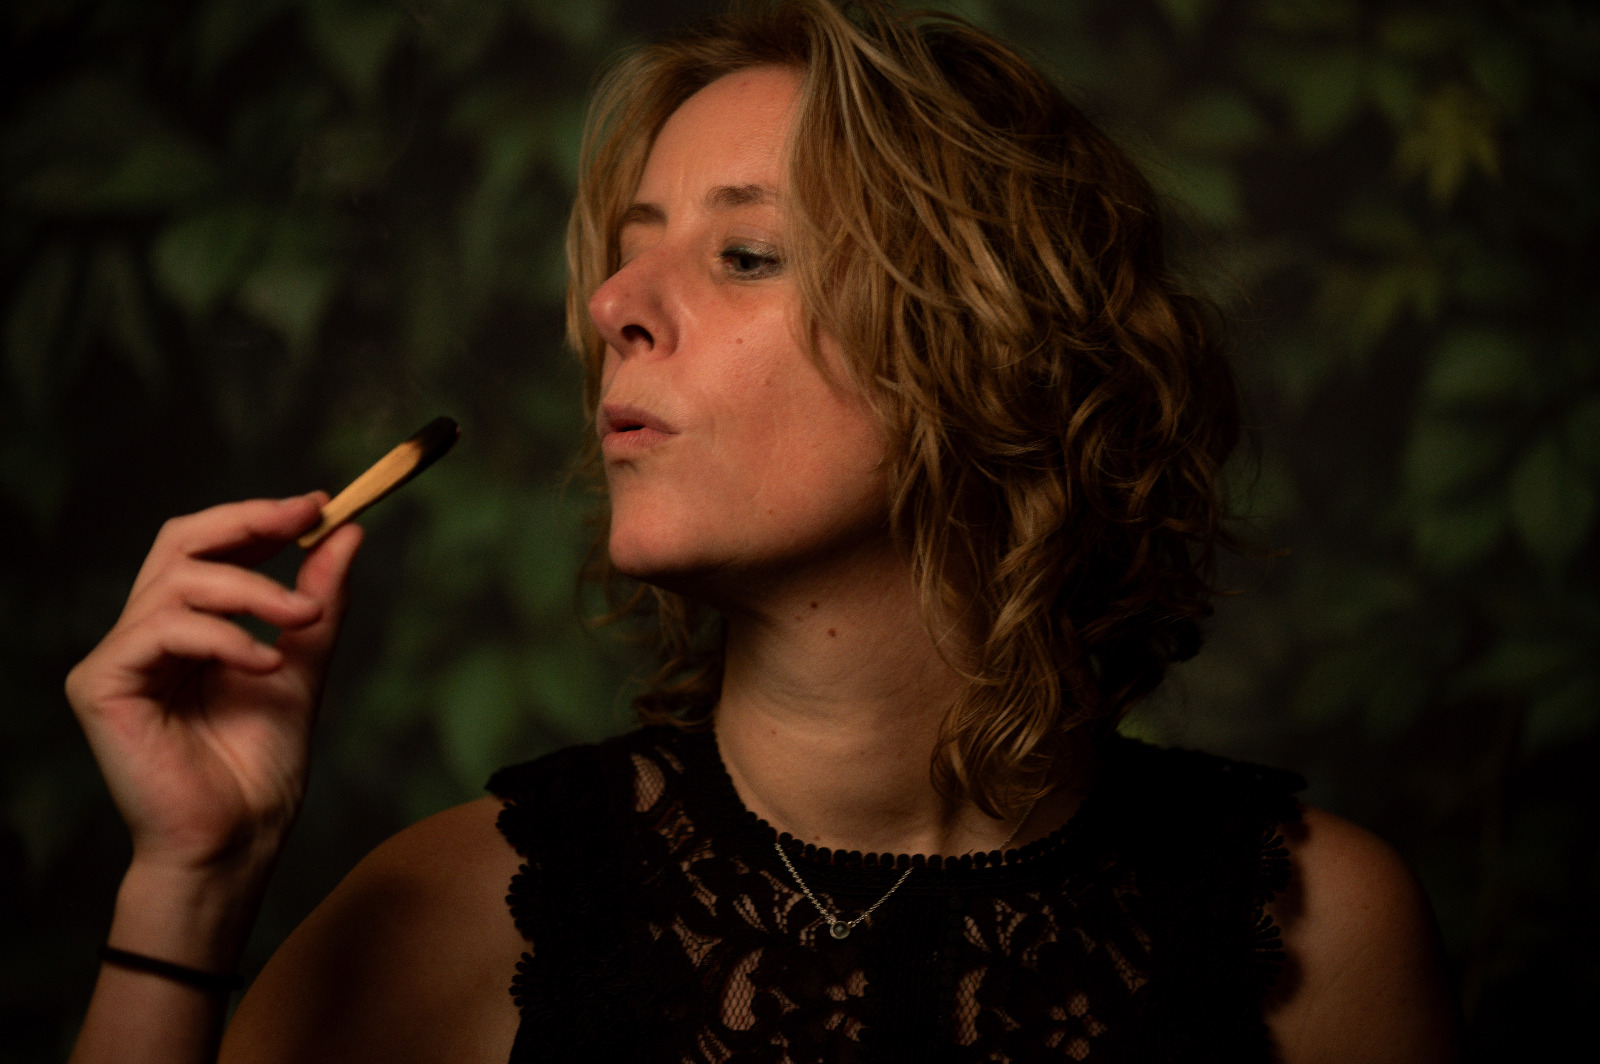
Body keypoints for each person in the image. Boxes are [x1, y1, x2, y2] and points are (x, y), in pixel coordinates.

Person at [64, 2, 1459, 1061]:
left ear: (994, 346)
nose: (616, 305)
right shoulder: (453, 919)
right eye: (632, 245)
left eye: (744, 255)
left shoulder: (1319, 935)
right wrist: (189, 889)